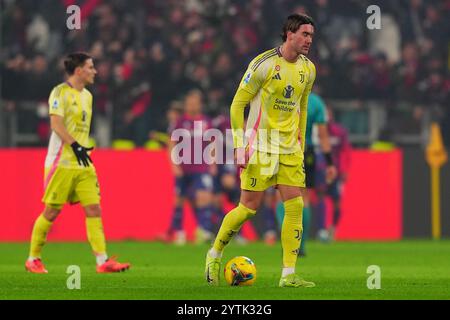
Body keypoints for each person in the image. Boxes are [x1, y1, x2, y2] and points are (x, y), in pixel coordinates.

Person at [205, 14, 317, 287]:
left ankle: (288, 275)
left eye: (311, 35)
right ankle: (214, 253)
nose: (309, 40)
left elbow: (302, 106)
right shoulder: (263, 64)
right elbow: (237, 105)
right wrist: (239, 146)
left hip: (289, 148)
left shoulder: (308, 69)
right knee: (248, 208)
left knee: (295, 205)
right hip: (261, 146)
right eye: (304, 34)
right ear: (289, 34)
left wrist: (301, 141)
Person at [25, 52, 131, 273]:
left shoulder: (88, 96)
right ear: (79, 70)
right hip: (61, 162)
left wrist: (81, 148)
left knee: (94, 209)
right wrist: (75, 145)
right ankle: (33, 258)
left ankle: (102, 262)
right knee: (52, 211)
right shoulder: (59, 92)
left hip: (83, 163)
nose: (95, 71)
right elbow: (56, 124)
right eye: (91, 67)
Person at [276, 92, 337, 256]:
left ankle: (288, 242)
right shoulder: (316, 102)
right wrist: (330, 163)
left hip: (281, 147)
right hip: (305, 151)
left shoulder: (281, 93)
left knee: (281, 196)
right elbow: (323, 137)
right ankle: (300, 246)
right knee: (304, 197)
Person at [168, 89, 216, 245]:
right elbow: (171, 144)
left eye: (194, 103)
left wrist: (213, 162)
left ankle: (203, 230)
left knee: (203, 196)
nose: (191, 106)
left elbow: (212, 142)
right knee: (179, 199)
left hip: (200, 166)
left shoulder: (206, 122)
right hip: (183, 166)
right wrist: (174, 164)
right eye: (189, 103)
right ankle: (179, 232)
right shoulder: (180, 122)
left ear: (199, 105)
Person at [316, 107, 352, 242]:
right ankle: (321, 229)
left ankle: (333, 228)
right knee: (320, 198)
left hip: (336, 172)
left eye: (328, 114)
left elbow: (346, 151)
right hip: (320, 171)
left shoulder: (339, 131)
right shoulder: (316, 131)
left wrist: (345, 170)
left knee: (337, 202)